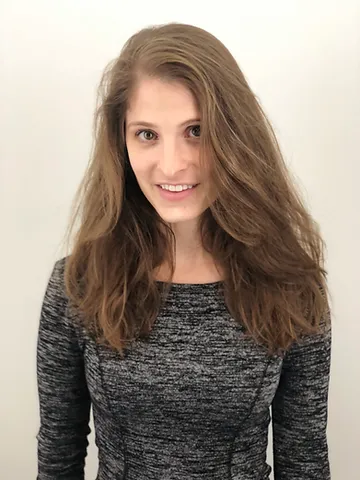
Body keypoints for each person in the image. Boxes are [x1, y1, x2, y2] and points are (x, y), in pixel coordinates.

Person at [36, 22, 332, 480]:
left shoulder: (291, 285)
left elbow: (304, 459)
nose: (172, 163)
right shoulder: (79, 283)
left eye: (195, 130)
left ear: (236, 136)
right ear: (121, 143)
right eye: (147, 134)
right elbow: (58, 453)